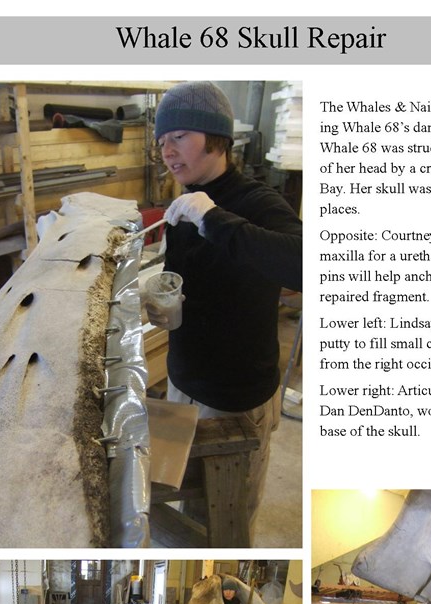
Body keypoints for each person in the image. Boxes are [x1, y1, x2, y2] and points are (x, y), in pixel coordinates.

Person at [145, 81, 302, 538]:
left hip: (234, 397)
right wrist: (166, 307)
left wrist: (211, 217)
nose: (168, 152)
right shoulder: (185, 198)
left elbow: (302, 263)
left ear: (215, 137)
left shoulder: (256, 203)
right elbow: (187, 280)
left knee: (226, 519)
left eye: (179, 137)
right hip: (183, 382)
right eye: (161, 143)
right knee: (185, 497)